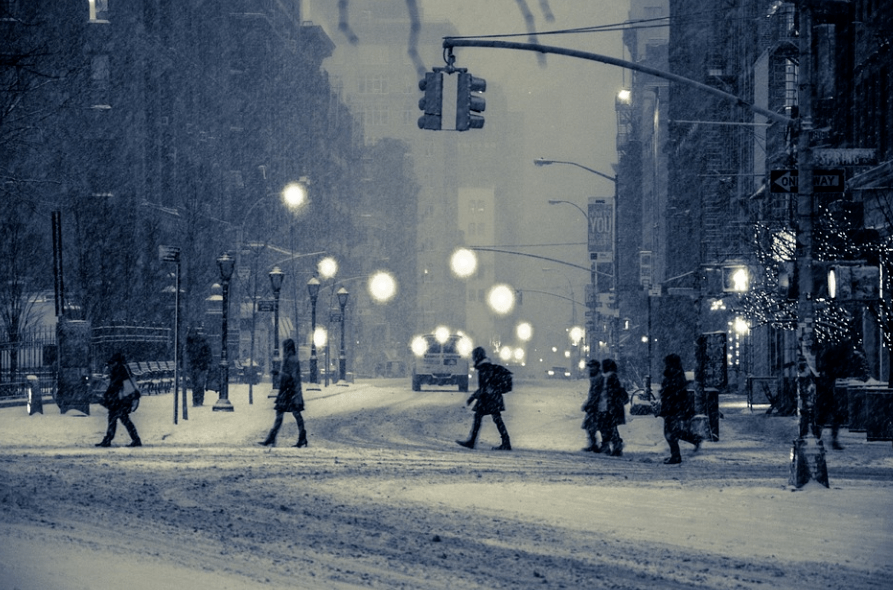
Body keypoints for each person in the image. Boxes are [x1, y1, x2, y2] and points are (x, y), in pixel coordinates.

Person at [457, 346, 512, 451]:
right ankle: (505, 441)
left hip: (489, 398)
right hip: (493, 396)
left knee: (483, 418)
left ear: (477, 356)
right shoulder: (486, 366)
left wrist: (472, 397)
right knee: (494, 418)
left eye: (474, 356)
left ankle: (473, 441)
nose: (473, 358)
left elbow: (484, 386)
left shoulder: (484, 368)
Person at [260, 338, 307, 447]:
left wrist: (278, 373)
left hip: (289, 391)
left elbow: (291, 376)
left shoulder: (291, 360)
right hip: (289, 390)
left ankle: (273, 437)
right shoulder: (290, 359)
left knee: (286, 414)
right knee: (292, 414)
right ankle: (301, 437)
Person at [657, 353, 699, 464]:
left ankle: (676, 455)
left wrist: (665, 394)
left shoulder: (674, 375)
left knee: (669, 433)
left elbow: (675, 392)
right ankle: (693, 440)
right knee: (673, 432)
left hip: (672, 408)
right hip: (672, 407)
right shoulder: (674, 373)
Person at [96, 352, 142, 448]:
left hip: (121, 400)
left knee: (119, 419)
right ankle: (111, 439)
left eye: (112, 363)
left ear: (117, 362)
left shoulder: (119, 370)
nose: (111, 366)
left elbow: (115, 385)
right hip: (122, 400)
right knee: (119, 419)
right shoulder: (122, 369)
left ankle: (110, 439)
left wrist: (107, 395)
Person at [600, 358, 628, 457]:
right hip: (611, 406)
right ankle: (614, 445)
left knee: (608, 427)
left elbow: (610, 393)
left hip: (609, 407)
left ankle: (613, 446)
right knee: (610, 427)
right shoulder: (613, 377)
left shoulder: (610, 378)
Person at [186, 329, 213, 406]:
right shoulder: (191, 343)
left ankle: (198, 400)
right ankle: (197, 400)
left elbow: (208, 353)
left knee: (198, 384)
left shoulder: (197, 343)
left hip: (199, 366)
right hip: (198, 366)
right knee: (196, 384)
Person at [581, 359, 603, 452]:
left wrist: (590, 404)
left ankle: (597, 444)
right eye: (589, 367)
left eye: (592, 367)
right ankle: (594, 444)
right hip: (595, 406)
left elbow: (597, 393)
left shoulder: (598, 378)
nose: (590, 369)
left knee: (596, 426)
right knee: (591, 426)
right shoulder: (595, 377)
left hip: (598, 406)